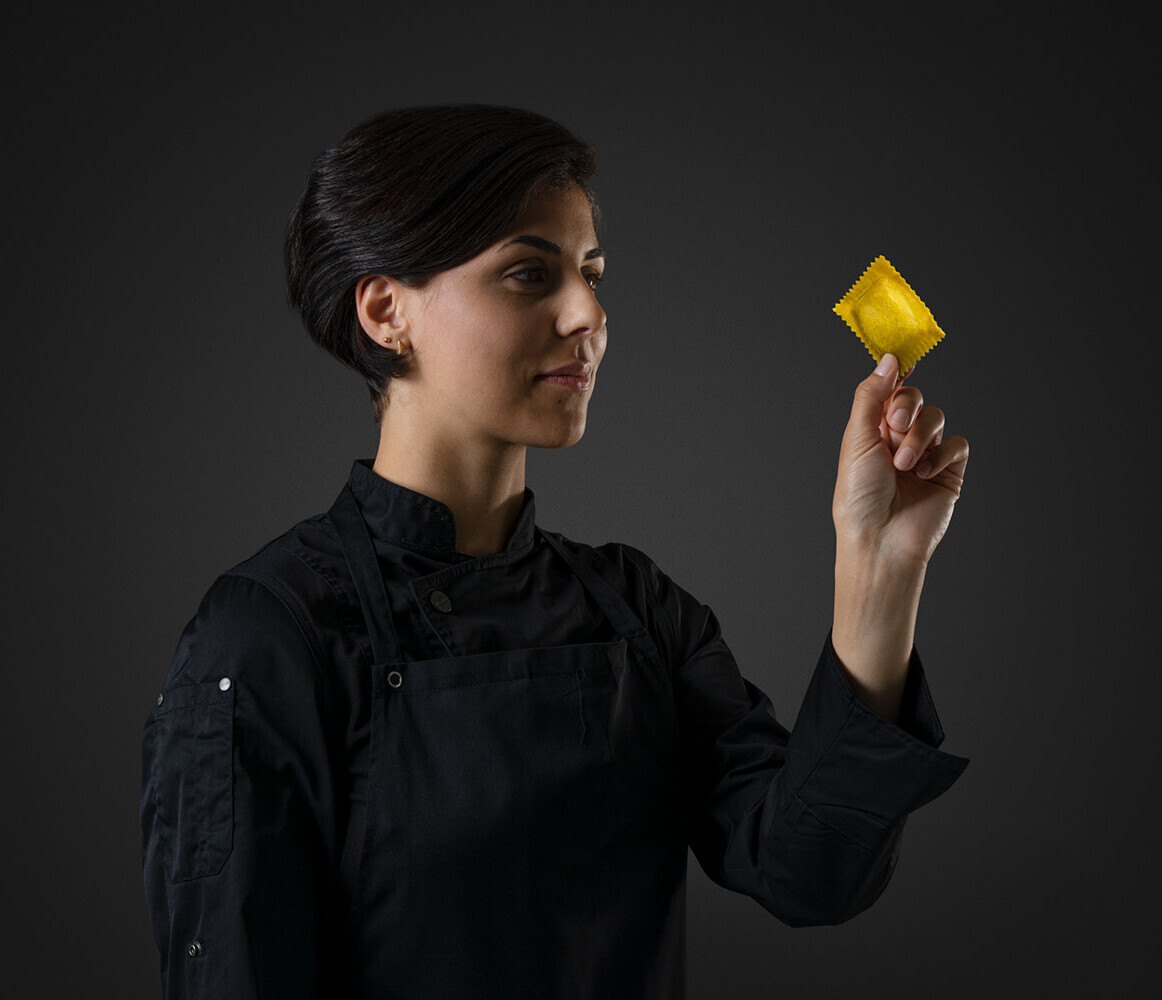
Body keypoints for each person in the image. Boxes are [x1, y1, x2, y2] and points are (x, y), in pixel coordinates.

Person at [140, 104, 970, 999]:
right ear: (386, 312)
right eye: (529, 273)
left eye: (592, 273)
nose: (589, 312)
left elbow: (812, 871)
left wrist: (879, 565)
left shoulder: (636, 609)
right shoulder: (271, 634)